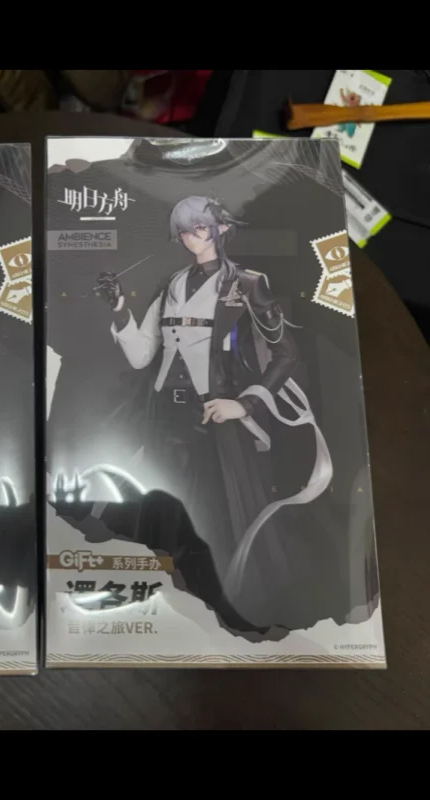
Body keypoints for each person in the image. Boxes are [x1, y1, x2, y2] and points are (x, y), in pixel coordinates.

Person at [96, 196, 331, 626]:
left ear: (222, 228)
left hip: (213, 416)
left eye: (200, 227)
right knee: (164, 508)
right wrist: (119, 309)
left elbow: (287, 354)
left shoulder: (247, 283)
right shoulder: (171, 284)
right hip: (164, 416)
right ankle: (165, 602)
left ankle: (224, 608)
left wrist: (244, 404)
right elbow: (142, 355)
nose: (191, 236)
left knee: (217, 515)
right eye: (184, 230)